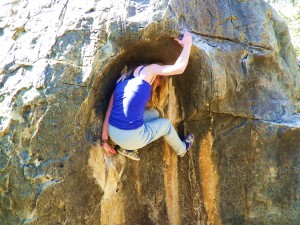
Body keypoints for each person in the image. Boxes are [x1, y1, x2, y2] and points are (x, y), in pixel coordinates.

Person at [101, 31, 194, 161]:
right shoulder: (149, 71)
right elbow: (179, 68)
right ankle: (182, 149)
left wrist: (104, 141)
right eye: (161, 82)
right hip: (130, 136)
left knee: (154, 114)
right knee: (166, 125)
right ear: (159, 77)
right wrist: (187, 45)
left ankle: (124, 147)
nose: (158, 86)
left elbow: (109, 111)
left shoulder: (122, 80)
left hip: (113, 133)